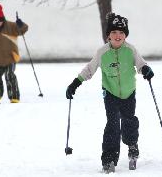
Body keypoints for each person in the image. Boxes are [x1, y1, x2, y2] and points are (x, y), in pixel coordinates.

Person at [65, 13, 154, 173]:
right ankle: (109, 158)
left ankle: (132, 144)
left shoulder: (130, 49)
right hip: (110, 92)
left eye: (121, 33)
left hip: (129, 92)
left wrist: (146, 69)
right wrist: (76, 82)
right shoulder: (102, 52)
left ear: (125, 35)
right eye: (114, 32)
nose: (117, 36)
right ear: (108, 36)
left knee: (129, 120)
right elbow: (89, 69)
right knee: (112, 124)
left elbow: (141, 63)